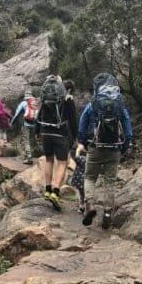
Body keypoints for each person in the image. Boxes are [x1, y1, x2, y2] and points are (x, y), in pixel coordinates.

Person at [78, 72, 133, 229]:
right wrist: (123, 147)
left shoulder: (94, 103)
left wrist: (82, 142)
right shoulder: (119, 104)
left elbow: (82, 124)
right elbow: (128, 131)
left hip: (95, 146)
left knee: (89, 177)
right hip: (114, 148)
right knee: (109, 181)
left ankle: (90, 204)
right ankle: (108, 212)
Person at [36, 75, 77, 211]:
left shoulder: (47, 98)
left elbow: (39, 114)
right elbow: (73, 121)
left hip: (45, 132)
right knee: (62, 163)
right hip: (60, 134)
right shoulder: (68, 100)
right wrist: (75, 138)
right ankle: (56, 192)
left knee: (48, 160)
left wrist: (37, 132)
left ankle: (47, 190)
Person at [10, 89, 40, 165]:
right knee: (32, 140)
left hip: (26, 124)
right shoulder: (35, 102)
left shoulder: (23, 103)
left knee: (26, 141)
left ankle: (29, 158)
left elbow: (17, 114)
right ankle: (34, 154)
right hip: (34, 124)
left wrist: (12, 123)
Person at [70, 144, 86, 213]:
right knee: (83, 194)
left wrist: (78, 150)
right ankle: (83, 206)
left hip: (79, 179)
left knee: (81, 193)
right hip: (84, 179)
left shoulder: (81, 158)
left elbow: (76, 158)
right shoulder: (87, 158)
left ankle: (82, 206)